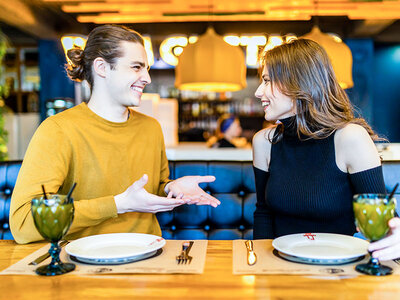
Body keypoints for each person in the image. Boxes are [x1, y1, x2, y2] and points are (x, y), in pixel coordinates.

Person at [10, 25, 220, 244]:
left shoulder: (151, 128)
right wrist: (119, 204)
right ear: (102, 67)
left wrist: (170, 187)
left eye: (146, 68)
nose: (147, 78)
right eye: (136, 67)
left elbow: (149, 188)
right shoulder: (57, 130)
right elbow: (23, 223)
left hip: (149, 256)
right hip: (83, 263)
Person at [252, 38, 400, 261]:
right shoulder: (263, 142)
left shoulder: (349, 138)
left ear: (299, 84)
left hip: (341, 271)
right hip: (281, 268)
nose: (258, 92)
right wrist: (259, 268)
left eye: (267, 81)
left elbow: (380, 219)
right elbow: (264, 213)